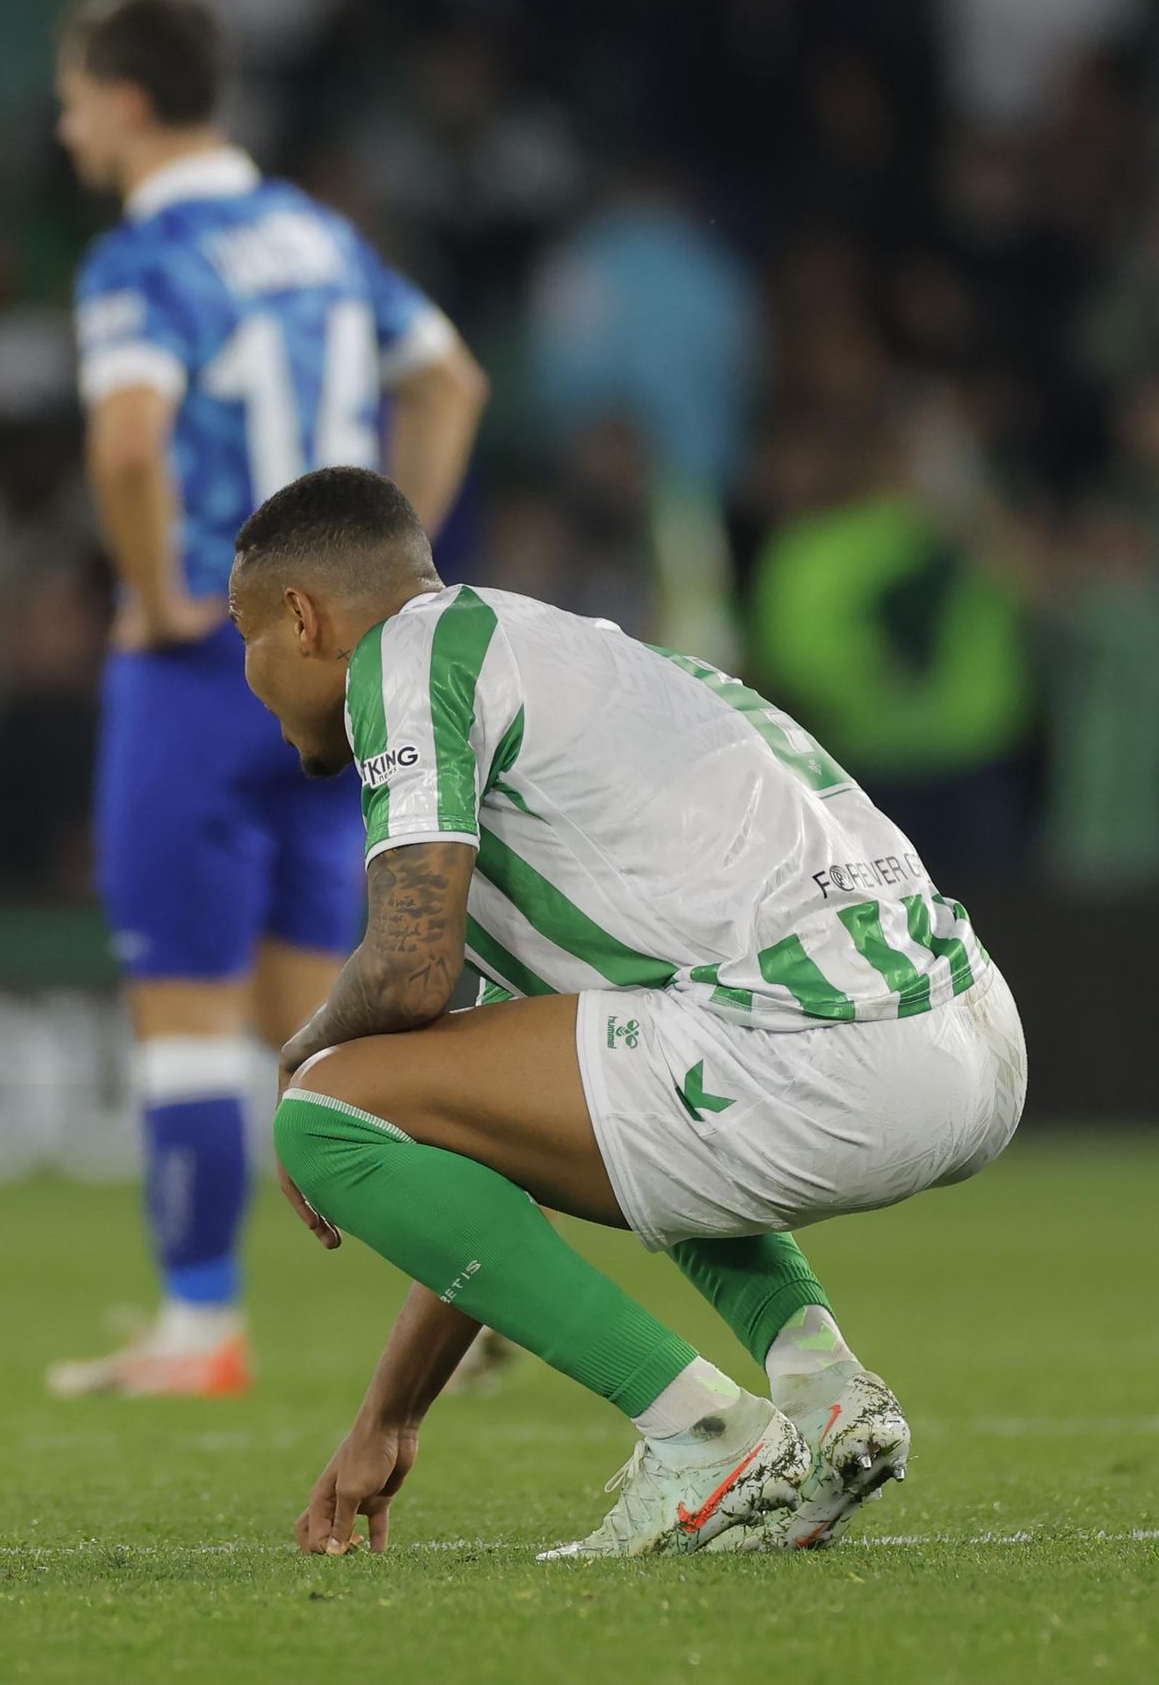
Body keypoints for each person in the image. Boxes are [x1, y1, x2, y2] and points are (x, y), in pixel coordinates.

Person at [228, 466, 1026, 1557]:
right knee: (627, 1067)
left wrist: (306, 1046)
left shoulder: (408, 660)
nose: (248, 675)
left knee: (321, 1112)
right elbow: (502, 1141)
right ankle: (822, 1393)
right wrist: (390, 1413)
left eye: (246, 635)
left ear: (301, 616)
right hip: (970, 1028)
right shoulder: (588, 663)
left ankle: (704, 1436)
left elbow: (410, 969)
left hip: (831, 1055)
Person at [49, 0, 486, 1397]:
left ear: (123, 102)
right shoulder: (319, 234)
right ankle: (467, 1269)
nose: (62, 129)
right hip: (339, 661)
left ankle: (198, 1326)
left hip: (201, 661)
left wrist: (156, 592)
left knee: (184, 999)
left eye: (70, 98)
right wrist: (387, 571)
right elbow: (455, 380)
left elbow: (129, 446)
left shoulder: (144, 259)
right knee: (323, 1010)